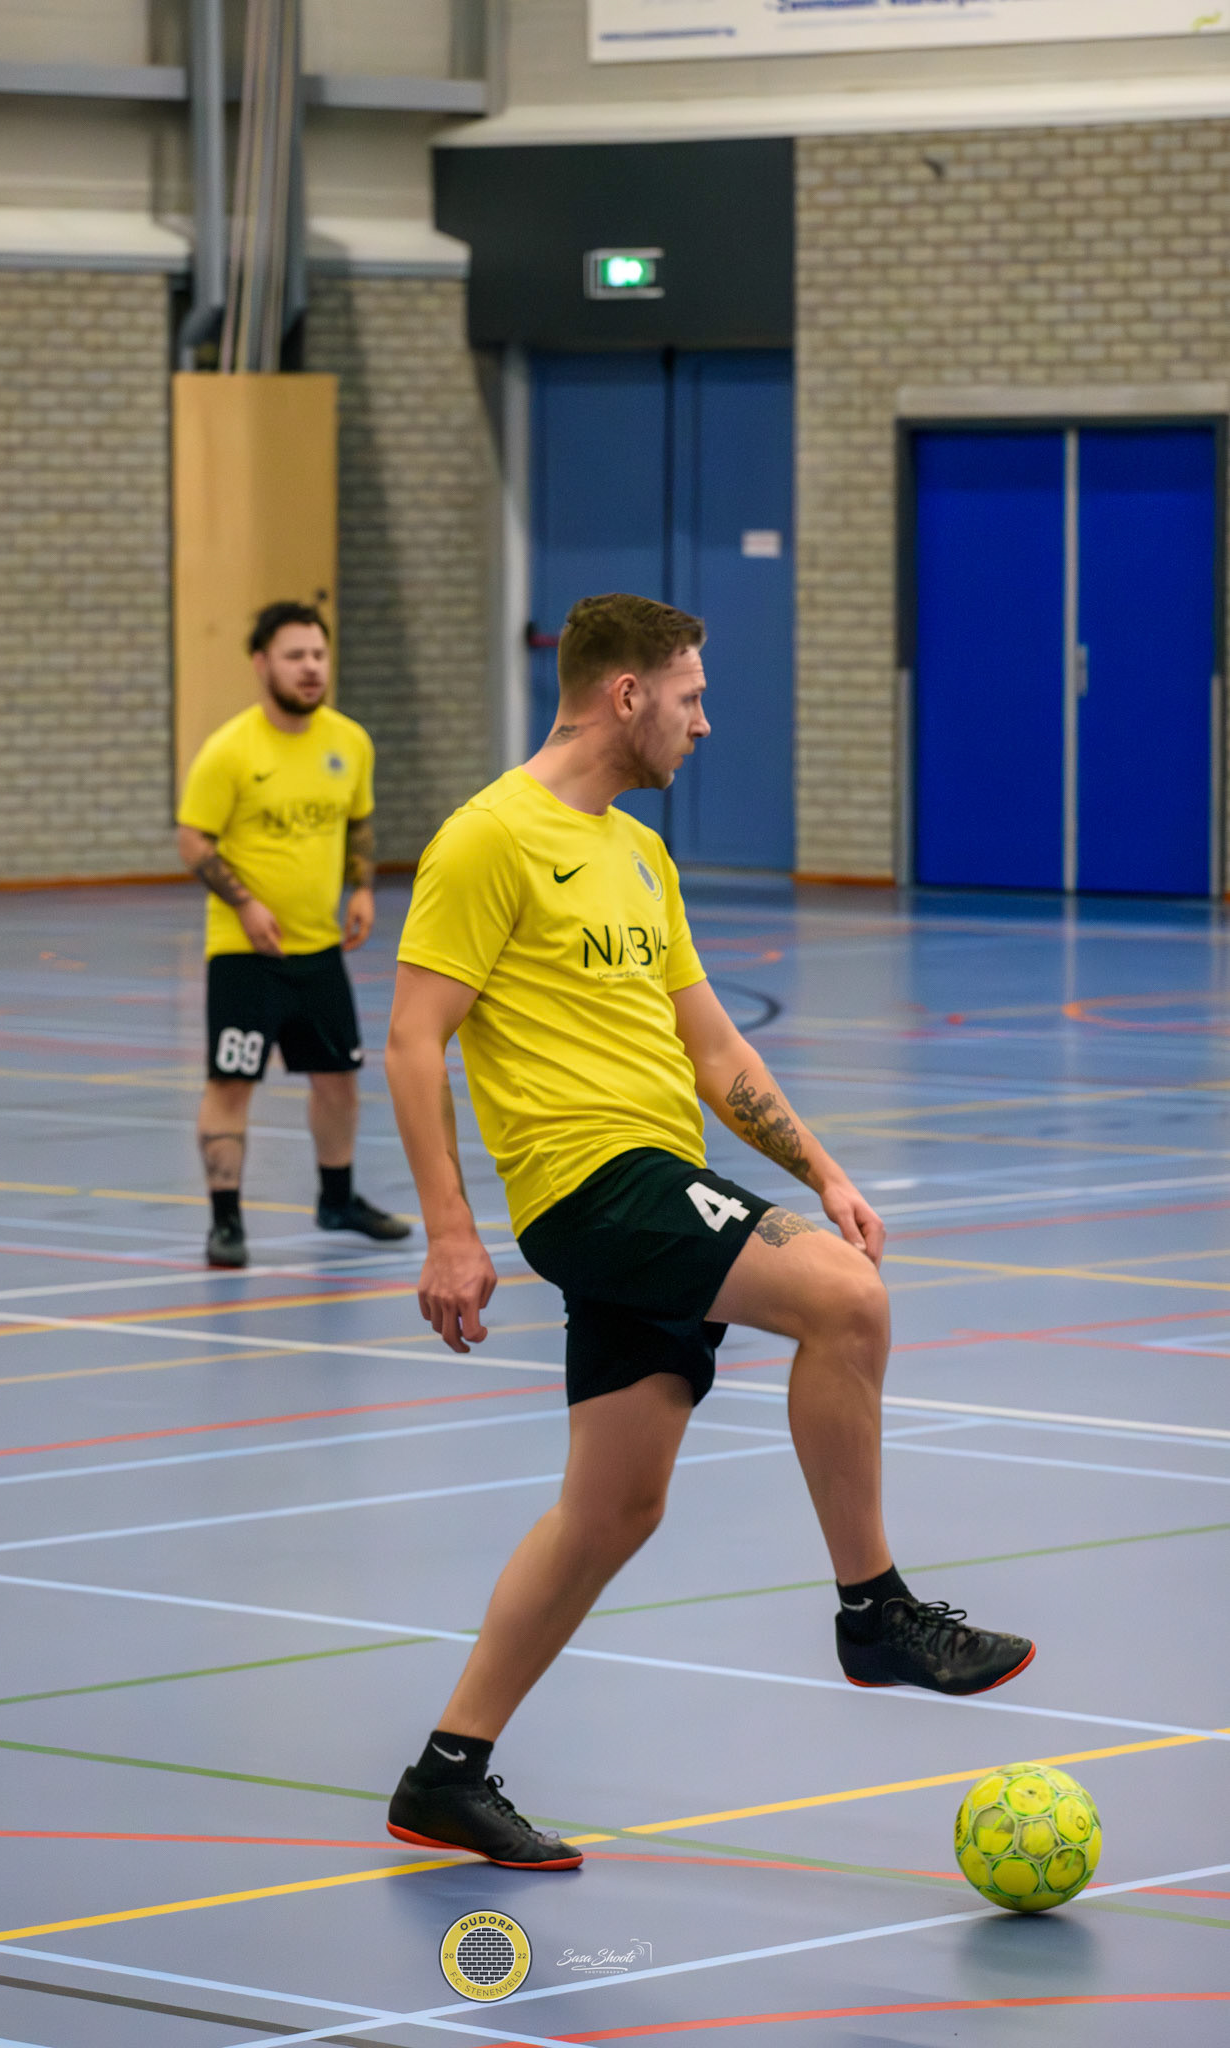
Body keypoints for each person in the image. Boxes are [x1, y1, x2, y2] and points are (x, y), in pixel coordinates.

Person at [382, 591, 1034, 1871]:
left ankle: (444, 1771)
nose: (705, 720)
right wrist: (450, 1232)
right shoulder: (489, 838)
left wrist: (823, 1168)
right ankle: (875, 1609)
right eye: (690, 695)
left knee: (614, 1507)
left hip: (655, 1174)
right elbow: (413, 1039)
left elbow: (714, 1047)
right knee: (846, 1299)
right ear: (625, 694)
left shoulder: (639, 852)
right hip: (592, 1182)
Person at [177, 600, 410, 1268]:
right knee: (231, 1083)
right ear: (261, 664)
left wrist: (360, 886)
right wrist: (246, 905)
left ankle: (337, 1200)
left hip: (319, 950)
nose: (310, 668)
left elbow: (357, 820)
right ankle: (226, 1221)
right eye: (294, 656)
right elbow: (193, 841)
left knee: (338, 1079)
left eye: (318, 654)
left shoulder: (350, 742)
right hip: (244, 955)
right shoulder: (230, 750)